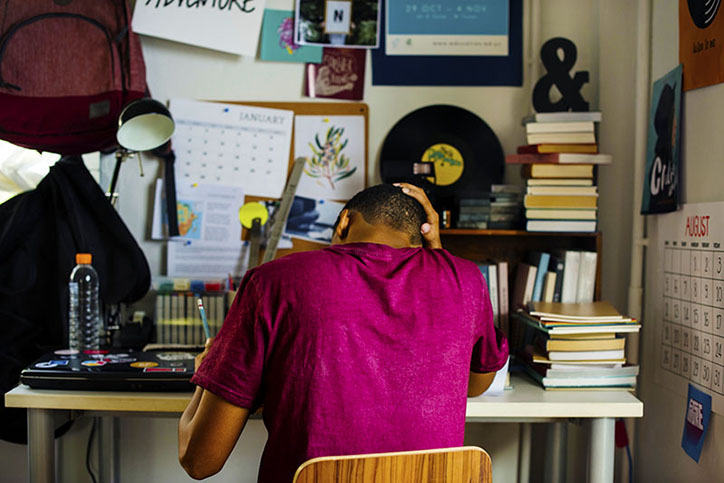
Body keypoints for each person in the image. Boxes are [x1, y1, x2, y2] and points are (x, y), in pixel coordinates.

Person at [178, 183, 509, 481]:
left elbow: (200, 461)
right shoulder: (465, 279)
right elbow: (476, 384)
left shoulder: (273, 281)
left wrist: (207, 371)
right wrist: (439, 260)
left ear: (344, 222)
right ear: (422, 236)